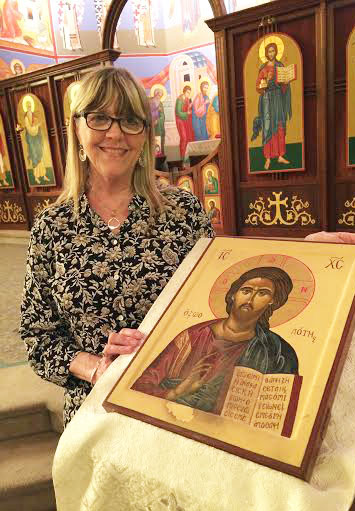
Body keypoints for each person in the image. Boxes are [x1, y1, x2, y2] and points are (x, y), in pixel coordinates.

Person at [19, 67, 214, 427]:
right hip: (95, 412)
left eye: (129, 120)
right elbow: (38, 336)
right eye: (99, 118)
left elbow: (217, 304)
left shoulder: (183, 213)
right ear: (77, 129)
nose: (115, 133)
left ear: (144, 135)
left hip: (180, 404)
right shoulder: (52, 227)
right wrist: (96, 369)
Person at [133, 266, 299, 414]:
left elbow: (281, 410)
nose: (250, 298)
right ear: (233, 295)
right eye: (246, 290)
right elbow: (141, 387)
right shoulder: (192, 336)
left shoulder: (278, 351)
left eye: (262, 293)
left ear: (272, 302)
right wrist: (177, 392)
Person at [252, 42, 292, 170]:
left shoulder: (280, 66)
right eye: (269, 52)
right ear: (266, 53)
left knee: (280, 125)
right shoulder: (263, 68)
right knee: (268, 127)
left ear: (276, 52)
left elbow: (284, 87)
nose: (271, 54)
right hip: (267, 100)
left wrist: (286, 83)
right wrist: (267, 81)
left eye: (273, 51)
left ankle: (280, 155)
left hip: (278, 99)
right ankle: (268, 158)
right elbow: (258, 87)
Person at [24, 99, 49, 184]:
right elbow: (30, 129)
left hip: (37, 138)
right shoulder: (26, 118)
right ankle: (36, 177)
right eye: (28, 106)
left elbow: (37, 123)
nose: (29, 107)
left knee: (40, 155)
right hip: (31, 140)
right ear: (26, 107)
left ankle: (43, 175)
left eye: (30, 105)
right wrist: (36, 126)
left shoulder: (34, 115)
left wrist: (38, 125)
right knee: (34, 156)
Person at [149, 87, 165, 155]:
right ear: (155, 94)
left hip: (159, 127)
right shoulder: (150, 102)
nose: (159, 97)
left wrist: (158, 120)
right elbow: (148, 113)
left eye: (161, 96)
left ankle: (160, 156)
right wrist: (153, 120)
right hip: (152, 127)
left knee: (160, 144)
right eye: (159, 95)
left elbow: (162, 115)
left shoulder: (160, 103)